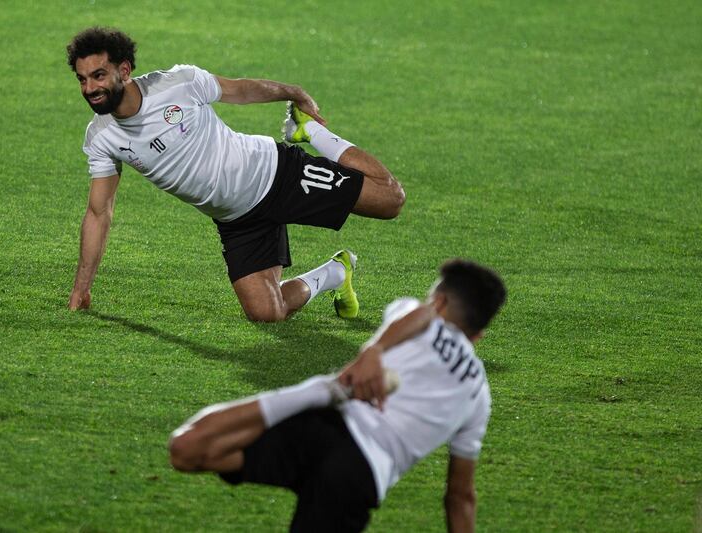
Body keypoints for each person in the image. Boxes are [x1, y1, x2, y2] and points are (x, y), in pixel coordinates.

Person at [65, 27, 406, 322]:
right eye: (82, 79)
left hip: (276, 175)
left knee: (390, 200)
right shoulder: (101, 137)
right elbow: (99, 212)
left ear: (124, 70)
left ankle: (309, 133)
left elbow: (241, 90)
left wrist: (292, 92)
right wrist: (82, 288)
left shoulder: (178, 84)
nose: (89, 88)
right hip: (237, 220)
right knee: (266, 313)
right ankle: (336, 272)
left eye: (98, 75)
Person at [169, 259, 507, 532]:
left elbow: (421, 313)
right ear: (477, 336)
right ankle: (321, 391)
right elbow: (460, 497)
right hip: (357, 476)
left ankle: (319, 391)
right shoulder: (478, 394)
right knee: (189, 450)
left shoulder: (415, 315)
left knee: (188, 449)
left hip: (322, 425)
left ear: (440, 301)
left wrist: (372, 351)